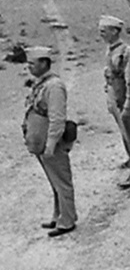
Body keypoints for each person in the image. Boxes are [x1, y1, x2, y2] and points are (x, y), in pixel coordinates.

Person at [25, 46, 76, 236]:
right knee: (54, 181)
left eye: (32, 63)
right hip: (40, 141)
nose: (29, 67)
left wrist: (52, 143)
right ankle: (58, 215)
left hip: (50, 142)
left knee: (62, 182)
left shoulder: (54, 86)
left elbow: (57, 118)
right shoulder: (41, 83)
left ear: (44, 64)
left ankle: (67, 219)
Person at [100, 15, 130, 188]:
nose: (102, 34)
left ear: (115, 31)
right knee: (124, 132)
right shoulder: (111, 50)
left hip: (123, 95)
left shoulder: (126, 51)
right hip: (115, 93)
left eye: (104, 31)